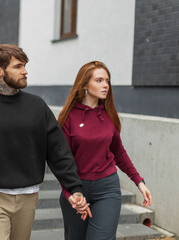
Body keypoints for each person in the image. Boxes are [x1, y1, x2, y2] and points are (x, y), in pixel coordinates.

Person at [0, 44, 91, 240]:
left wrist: (74, 188)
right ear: (0, 71)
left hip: (28, 197)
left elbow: (58, 151)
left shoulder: (37, 107)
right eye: (18, 66)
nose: (25, 71)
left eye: (24, 66)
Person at [58, 61, 152, 240]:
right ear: (85, 84)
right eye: (99, 80)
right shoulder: (68, 117)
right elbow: (62, 162)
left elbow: (119, 153)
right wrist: (71, 194)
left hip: (107, 188)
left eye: (107, 81)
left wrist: (139, 182)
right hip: (77, 188)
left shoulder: (109, 115)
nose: (105, 85)